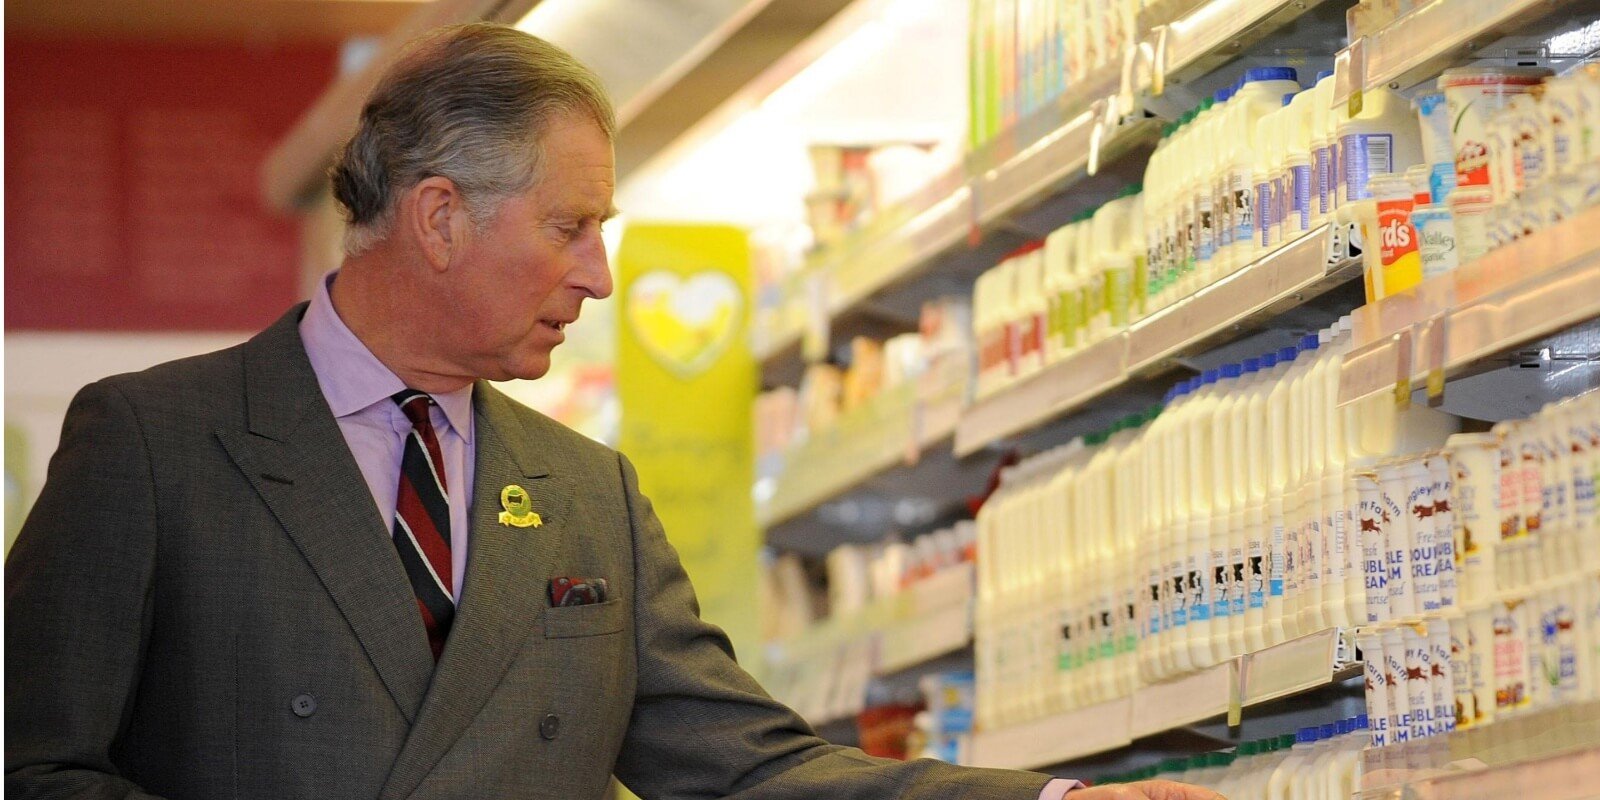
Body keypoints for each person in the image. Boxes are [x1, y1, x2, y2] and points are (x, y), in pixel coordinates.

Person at [5, 23, 1223, 800]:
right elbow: (31, 762)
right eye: (568, 227)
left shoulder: (590, 492)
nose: (595, 275)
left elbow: (753, 768)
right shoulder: (158, 443)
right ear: (438, 218)